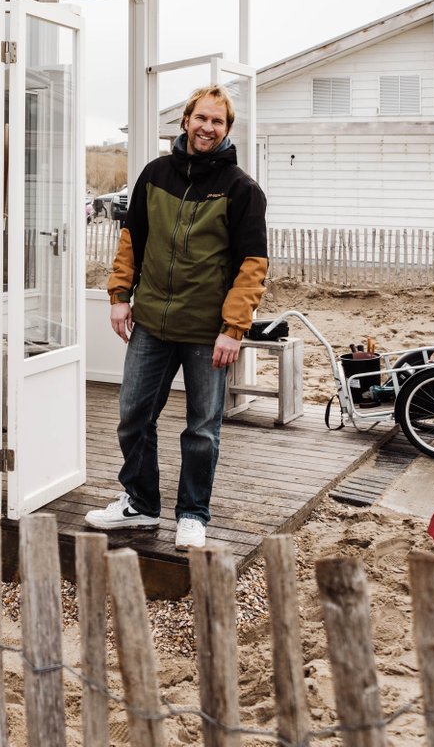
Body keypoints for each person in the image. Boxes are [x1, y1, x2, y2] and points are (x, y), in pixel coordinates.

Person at [85, 85, 268, 550]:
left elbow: (252, 267)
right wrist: (120, 296)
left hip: (207, 332)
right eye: (201, 117)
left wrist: (233, 329)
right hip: (150, 325)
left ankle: (192, 514)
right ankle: (141, 504)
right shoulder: (154, 175)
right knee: (133, 417)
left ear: (227, 129)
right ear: (186, 120)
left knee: (202, 429)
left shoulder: (242, 189)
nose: (208, 127)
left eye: (218, 121)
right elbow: (131, 242)